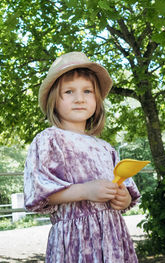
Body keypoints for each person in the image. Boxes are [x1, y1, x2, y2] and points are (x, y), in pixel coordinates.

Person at [23, 52, 140, 262]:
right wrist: (86, 190)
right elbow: (41, 192)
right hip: (76, 241)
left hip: (113, 239)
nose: (80, 98)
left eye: (88, 91)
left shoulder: (106, 148)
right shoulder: (49, 140)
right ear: (53, 100)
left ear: (97, 99)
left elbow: (127, 192)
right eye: (69, 91)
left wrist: (123, 198)